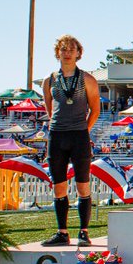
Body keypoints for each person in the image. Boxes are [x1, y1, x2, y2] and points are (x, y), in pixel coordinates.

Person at [40, 35, 102, 245]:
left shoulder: (87, 79)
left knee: (83, 185)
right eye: (63, 49)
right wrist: (58, 126)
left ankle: (83, 231)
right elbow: (50, 109)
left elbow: (96, 108)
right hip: (57, 135)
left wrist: (84, 129)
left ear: (78, 53)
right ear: (58, 52)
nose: (67, 53)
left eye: (71, 49)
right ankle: (62, 232)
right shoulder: (49, 80)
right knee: (59, 186)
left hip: (79, 136)